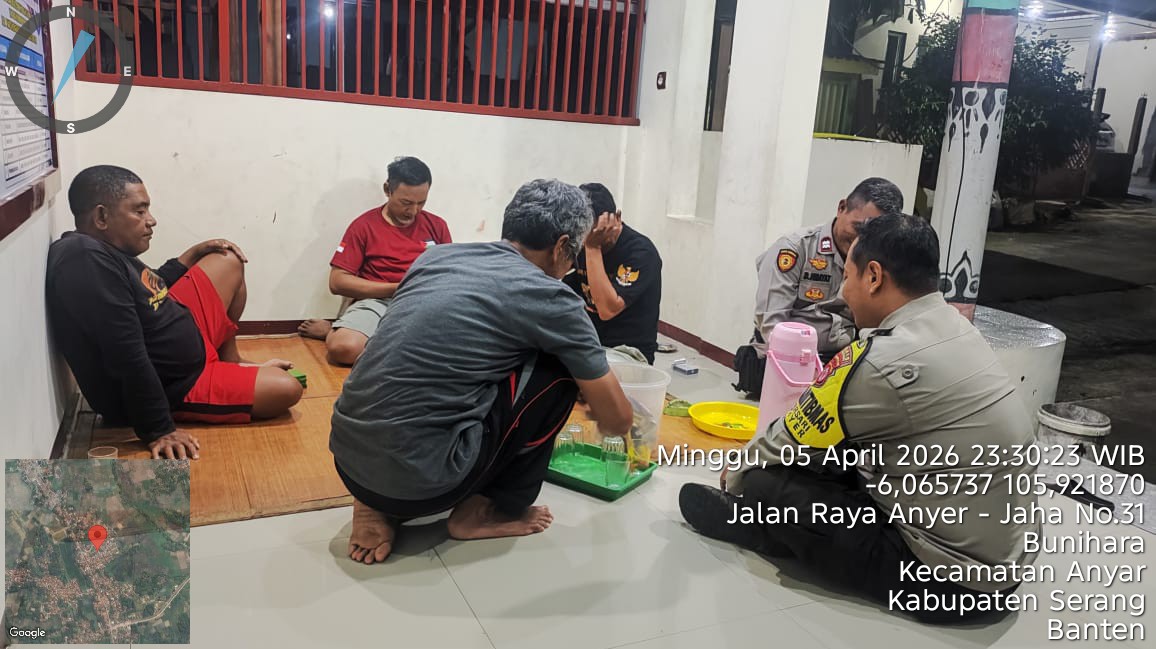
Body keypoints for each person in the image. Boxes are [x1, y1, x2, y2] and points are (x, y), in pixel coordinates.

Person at [681, 213, 1039, 624]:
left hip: (949, 586)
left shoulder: (882, 360)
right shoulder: (956, 327)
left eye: (847, 277)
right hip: (1007, 567)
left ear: (873, 276)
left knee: (767, 481)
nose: (842, 291)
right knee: (838, 453)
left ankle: (759, 527)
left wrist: (737, 475)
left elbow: (790, 436)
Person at [330, 179, 634, 565]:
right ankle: (484, 510)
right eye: (572, 256)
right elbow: (617, 421)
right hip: (424, 482)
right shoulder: (553, 298)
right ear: (561, 247)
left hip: (349, 459)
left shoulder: (436, 258)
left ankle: (373, 504)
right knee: (559, 368)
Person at [46, 166, 304, 460]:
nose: (151, 220)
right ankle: (225, 375)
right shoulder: (85, 261)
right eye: (140, 211)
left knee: (226, 260)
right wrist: (159, 429)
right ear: (102, 217)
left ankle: (231, 362)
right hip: (179, 381)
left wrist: (191, 255)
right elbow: (125, 353)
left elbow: (149, 286)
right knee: (287, 389)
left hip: (186, 336)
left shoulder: (99, 249)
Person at [734, 178, 904, 396]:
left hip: (841, 366)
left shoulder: (877, 262)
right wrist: (812, 371)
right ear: (842, 208)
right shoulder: (795, 248)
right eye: (858, 227)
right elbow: (772, 326)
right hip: (786, 364)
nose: (860, 239)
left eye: (872, 234)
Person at [298, 156, 452, 366]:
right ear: (388, 189)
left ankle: (381, 340)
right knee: (344, 349)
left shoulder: (437, 225)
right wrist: (396, 288)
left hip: (423, 303)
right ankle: (335, 332)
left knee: (468, 342)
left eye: (421, 203)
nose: (414, 211)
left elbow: (449, 274)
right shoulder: (364, 226)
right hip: (377, 302)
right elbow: (337, 282)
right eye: (406, 203)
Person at [562, 183, 662, 364]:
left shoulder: (641, 253)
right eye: (582, 233)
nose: (585, 240)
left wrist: (593, 248)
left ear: (616, 219)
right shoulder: (581, 240)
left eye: (595, 232)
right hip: (589, 341)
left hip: (628, 351)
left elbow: (608, 310)